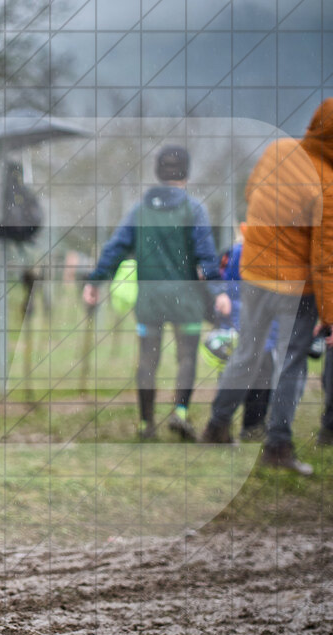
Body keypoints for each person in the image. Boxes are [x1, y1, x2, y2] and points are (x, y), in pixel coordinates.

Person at [200, 98, 333, 476]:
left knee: (247, 352)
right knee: (290, 364)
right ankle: (277, 445)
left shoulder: (277, 151)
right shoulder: (328, 182)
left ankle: (216, 425)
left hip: (255, 275)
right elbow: (326, 260)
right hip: (296, 289)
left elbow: (250, 195)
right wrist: (330, 315)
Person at [83, 145, 230, 441]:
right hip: (185, 300)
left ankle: (145, 424)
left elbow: (115, 248)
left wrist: (95, 280)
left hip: (149, 301)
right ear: (185, 174)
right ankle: (180, 413)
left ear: (157, 172)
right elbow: (206, 256)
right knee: (186, 357)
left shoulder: (140, 210)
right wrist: (218, 292)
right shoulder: (194, 209)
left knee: (147, 360)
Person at [215, 234, 278, 441]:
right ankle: (238, 425)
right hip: (247, 322)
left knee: (258, 371)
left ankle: (246, 425)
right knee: (253, 371)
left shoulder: (244, 250)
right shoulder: (241, 251)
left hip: (254, 323)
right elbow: (230, 288)